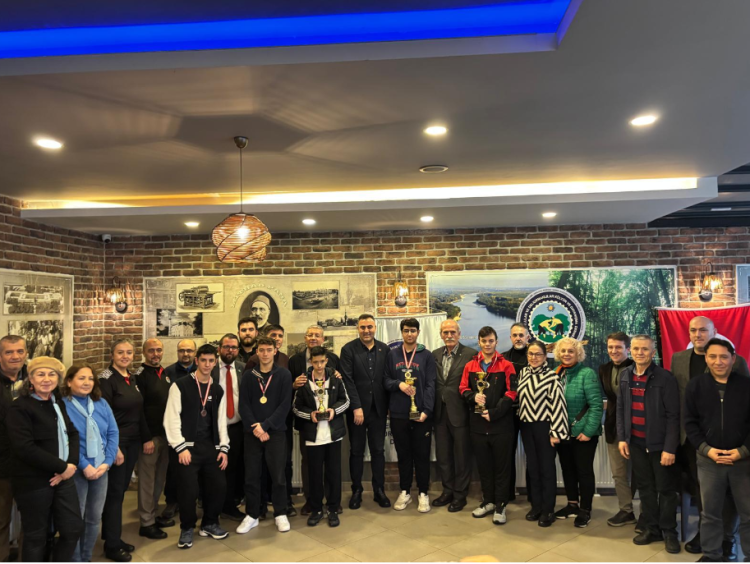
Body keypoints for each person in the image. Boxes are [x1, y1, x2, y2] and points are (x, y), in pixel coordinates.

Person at [672, 316, 749, 557]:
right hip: (703, 452)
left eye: (724, 357)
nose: (718, 361)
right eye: (713, 357)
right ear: (706, 359)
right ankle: (711, 551)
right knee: (708, 507)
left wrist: (743, 450)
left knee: (743, 508)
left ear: (733, 359)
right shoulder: (692, 378)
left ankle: (737, 546)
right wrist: (706, 448)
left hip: (740, 457)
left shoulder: (744, 381)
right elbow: (687, 416)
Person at [8, 356, 83, 562]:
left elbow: (72, 434)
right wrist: (61, 467)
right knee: (36, 536)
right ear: (30, 379)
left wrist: (71, 464)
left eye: (52, 374)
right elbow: (25, 448)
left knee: (73, 528)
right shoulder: (19, 407)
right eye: (40, 374)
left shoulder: (56, 403)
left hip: (63, 477)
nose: (46, 379)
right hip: (33, 482)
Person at [616, 335, 681, 554]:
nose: (640, 353)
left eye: (645, 349)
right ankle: (652, 529)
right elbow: (621, 409)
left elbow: (673, 416)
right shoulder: (625, 375)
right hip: (635, 443)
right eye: (636, 349)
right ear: (630, 351)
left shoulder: (665, 378)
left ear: (653, 353)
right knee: (645, 488)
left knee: (666, 490)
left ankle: (669, 531)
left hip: (660, 445)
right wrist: (623, 438)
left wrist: (669, 448)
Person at [164, 344, 229, 549]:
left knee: (218, 487)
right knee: (188, 491)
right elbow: (171, 418)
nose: (207, 364)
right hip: (187, 448)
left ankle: (209, 523)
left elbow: (221, 421)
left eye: (211, 361)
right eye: (203, 360)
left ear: (215, 362)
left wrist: (223, 448)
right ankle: (187, 528)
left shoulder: (217, 389)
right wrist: (180, 447)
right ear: (196, 361)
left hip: (210, 447)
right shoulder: (180, 386)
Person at [99, 338, 152, 562]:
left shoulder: (131, 378)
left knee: (120, 492)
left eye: (129, 353)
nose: (125, 356)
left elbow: (139, 411)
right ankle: (111, 545)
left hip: (133, 441)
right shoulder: (106, 379)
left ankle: (112, 536)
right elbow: (104, 416)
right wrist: (115, 448)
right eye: (120, 352)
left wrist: (146, 438)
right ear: (112, 355)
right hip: (117, 443)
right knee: (114, 493)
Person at [459, 326, 517, 525]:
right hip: (477, 425)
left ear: (496, 342)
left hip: (501, 426)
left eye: (491, 341)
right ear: (479, 342)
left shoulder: (506, 365)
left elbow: (512, 393)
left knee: (502, 468)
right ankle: (488, 501)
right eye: (484, 341)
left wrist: (494, 413)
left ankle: (501, 505)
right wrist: (472, 396)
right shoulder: (470, 366)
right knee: (484, 467)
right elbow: (462, 388)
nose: (487, 344)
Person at [62, 365, 120, 563]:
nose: (87, 382)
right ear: (69, 381)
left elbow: (113, 432)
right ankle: (75, 559)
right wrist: (84, 465)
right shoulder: (62, 405)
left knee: (94, 518)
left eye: (90, 378)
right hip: (76, 470)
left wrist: (107, 462)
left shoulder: (101, 403)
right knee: (75, 519)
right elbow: (65, 440)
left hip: (101, 468)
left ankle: (86, 557)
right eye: (81, 378)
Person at [237, 337, 292, 535]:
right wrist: (256, 429)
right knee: (252, 476)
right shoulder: (249, 376)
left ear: (275, 351)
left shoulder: (284, 375)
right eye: (262, 350)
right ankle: (252, 515)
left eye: (269, 350)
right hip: (252, 434)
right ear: (257, 352)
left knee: (278, 475)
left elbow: (285, 405)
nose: (266, 353)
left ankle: (280, 513)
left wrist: (266, 426)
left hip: (275, 432)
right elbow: (243, 405)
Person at [384, 318, 437, 513]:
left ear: (418, 332)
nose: (409, 334)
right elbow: (385, 380)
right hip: (399, 414)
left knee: (422, 455)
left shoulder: (426, 356)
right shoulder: (392, 355)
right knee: (404, 455)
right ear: (402, 332)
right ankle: (405, 491)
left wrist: (427, 411)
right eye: (406, 330)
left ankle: (423, 493)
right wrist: (399, 384)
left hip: (421, 414)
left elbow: (431, 385)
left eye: (413, 330)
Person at [293, 346, 350, 527]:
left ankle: (333, 508)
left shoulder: (335, 378)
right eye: (315, 362)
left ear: (326, 361)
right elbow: (296, 407)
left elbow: (345, 400)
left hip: (333, 435)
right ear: (311, 362)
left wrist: (334, 411)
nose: (319, 365)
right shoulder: (304, 381)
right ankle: (316, 509)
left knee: (334, 473)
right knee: (314, 474)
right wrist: (310, 415)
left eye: (322, 362)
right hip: (313, 436)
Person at [340, 314, 391, 510]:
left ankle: (379, 490)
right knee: (356, 452)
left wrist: (389, 405)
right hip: (357, 412)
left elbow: (386, 378)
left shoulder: (384, 349)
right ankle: (357, 491)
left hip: (378, 410)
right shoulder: (348, 349)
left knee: (378, 451)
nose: (366, 330)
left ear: (375, 328)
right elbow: (347, 380)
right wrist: (356, 407)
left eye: (370, 327)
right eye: (363, 327)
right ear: (358, 329)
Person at [289, 326, 340, 515]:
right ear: (305, 338)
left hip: (330, 422)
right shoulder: (295, 360)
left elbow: (339, 384)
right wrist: (293, 385)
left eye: (317, 335)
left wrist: (339, 377)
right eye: (310, 335)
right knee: (309, 463)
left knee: (331, 464)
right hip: (308, 422)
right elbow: (288, 386)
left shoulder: (333, 359)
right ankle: (311, 501)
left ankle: (332, 501)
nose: (313, 338)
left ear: (323, 338)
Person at [518, 340, 568, 527]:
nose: (534, 357)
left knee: (546, 469)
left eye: (538, 354)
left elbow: (558, 405)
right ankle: (536, 506)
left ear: (545, 356)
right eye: (530, 354)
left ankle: (548, 510)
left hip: (545, 428)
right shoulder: (523, 373)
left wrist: (555, 432)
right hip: (526, 427)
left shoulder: (552, 377)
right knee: (533, 468)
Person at [554, 337, 603, 528]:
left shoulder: (587, 374)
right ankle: (572, 504)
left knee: (584, 471)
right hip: (563, 432)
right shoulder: (556, 373)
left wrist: (588, 431)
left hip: (584, 434)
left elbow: (596, 406)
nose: (566, 354)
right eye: (563, 351)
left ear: (578, 353)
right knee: (567, 470)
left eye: (571, 351)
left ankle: (585, 509)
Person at [431, 319, 476, 512]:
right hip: (439, 414)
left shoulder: (471, 354)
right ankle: (447, 491)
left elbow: (475, 385)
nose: (449, 335)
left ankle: (460, 495)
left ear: (459, 333)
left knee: (462, 457)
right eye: (445, 332)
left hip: (461, 413)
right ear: (441, 334)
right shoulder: (434, 355)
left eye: (452, 332)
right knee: (443, 457)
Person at [134, 338, 174, 540]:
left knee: (159, 479)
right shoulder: (139, 376)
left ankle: (153, 514)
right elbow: (138, 410)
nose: (155, 354)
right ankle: (146, 522)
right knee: (147, 481)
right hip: (150, 438)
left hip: (165, 435)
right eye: (151, 350)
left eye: (159, 350)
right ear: (144, 352)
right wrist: (146, 438)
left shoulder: (164, 374)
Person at [599, 332, 637, 528]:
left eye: (618, 347)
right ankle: (626, 510)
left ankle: (649, 514)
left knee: (641, 473)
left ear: (627, 349)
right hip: (613, 426)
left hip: (638, 427)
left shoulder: (637, 367)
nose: (613, 351)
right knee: (619, 473)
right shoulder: (603, 369)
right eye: (610, 347)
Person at [161, 339, 196, 522]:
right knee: (174, 467)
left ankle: (193, 500)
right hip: (176, 426)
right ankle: (172, 501)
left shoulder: (202, 370)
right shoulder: (168, 373)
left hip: (196, 426)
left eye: (189, 350)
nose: (186, 354)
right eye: (182, 350)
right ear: (177, 352)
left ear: (195, 352)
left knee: (195, 466)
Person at [212, 334, 246, 522]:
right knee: (214, 469)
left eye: (233, 347)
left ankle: (229, 506)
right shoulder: (210, 368)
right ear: (219, 349)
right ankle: (212, 507)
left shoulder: (243, 368)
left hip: (236, 427)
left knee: (233, 468)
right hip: (214, 428)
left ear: (238, 350)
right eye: (226, 347)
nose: (230, 350)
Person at [0, 335, 28, 563]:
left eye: (19, 351)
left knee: (30, 521)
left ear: (26, 353)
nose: (15, 356)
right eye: (9, 352)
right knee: (1, 520)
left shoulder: (35, 378)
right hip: (2, 464)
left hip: (31, 463)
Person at [502, 322, 531, 503]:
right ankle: (507, 493)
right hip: (509, 412)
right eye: (515, 335)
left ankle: (533, 494)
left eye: (521, 335)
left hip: (531, 412)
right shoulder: (503, 358)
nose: (518, 338)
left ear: (528, 337)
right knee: (507, 453)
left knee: (532, 454)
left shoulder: (535, 356)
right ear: (510, 337)